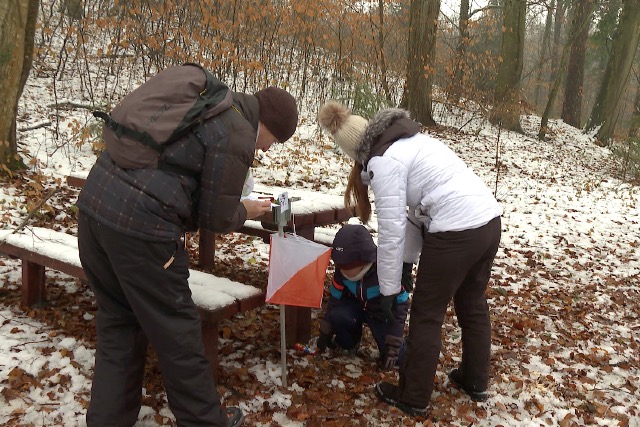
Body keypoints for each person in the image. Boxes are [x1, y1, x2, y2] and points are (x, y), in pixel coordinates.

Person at [77, 86, 298, 426]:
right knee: (178, 336)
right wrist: (246, 210)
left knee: (119, 323)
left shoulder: (209, 104)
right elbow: (217, 218)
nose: (267, 149)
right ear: (268, 125)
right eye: (274, 141)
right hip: (142, 234)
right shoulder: (238, 132)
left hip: (94, 208)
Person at [319, 101, 502, 417]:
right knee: (472, 303)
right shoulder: (411, 142)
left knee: (426, 314)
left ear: (356, 154)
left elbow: (390, 230)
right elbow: (416, 214)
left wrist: (389, 288)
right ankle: (475, 379)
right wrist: (404, 264)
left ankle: (413, 396)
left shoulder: (385, 162)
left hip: (455, 230)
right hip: (488, 223)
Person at [316, 224, 410, 369]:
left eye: (348, 269)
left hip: (380, 313)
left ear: (364, 262)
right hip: (354, 307)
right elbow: (335, 300)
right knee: (339, 315)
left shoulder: (386, 272)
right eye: (341, 268)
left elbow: (401, 307)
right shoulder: (341, 273)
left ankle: (404, 346)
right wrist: (326, 331)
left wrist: (393, 344)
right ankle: (350, 343)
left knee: (398, 358)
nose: (344, 273)